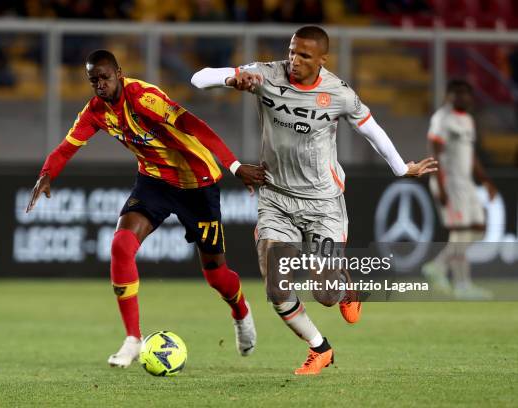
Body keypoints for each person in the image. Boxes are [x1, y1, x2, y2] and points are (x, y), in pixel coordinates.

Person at [191, 25, 437, 375]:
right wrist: (233, 80)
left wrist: (400, 169)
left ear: (322, 59)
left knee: (324, 294)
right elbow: (199, 78)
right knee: (277, 289)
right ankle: (319, 348)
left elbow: (371, 129)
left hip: (323, 204)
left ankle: (345, 286)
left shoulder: (338, 93)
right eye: (292, 51)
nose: (294, 60)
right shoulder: (266, 75)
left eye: (304, 55)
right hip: (276, 198)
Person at [26, 49, 265, 368]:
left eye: (105, 78)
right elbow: (67, 147)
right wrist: (46, 174)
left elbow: (194, 125)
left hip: (198, 183)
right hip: (154, 182)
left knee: (216, 276)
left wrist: (234, 166)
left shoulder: (144, 98)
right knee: (121, 244)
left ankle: (241, 312)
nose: (99, 85)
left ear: (119, 73)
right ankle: (132, 340)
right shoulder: (96, 111)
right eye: (93, 80)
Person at [422, 79, 497, 299]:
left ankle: (438, 266)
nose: (463, 97)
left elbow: (470, 155)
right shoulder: (442, 119)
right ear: (449, 96)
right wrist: (441, 185)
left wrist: (485, 180)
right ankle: (463, 285)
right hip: (450, 182)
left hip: (467, 183)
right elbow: (434, 152)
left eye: (467, 93)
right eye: (458, 93)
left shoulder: (468, 121)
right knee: (461, 232)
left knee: (477, 230)